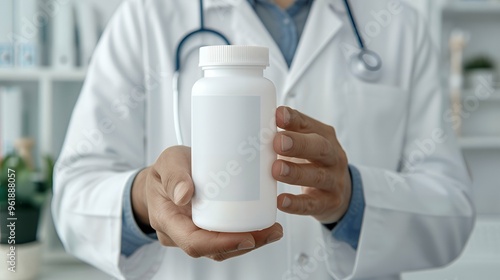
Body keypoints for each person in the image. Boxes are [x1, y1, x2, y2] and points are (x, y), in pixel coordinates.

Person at [52, 0, 475, 279]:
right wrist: (144, 199)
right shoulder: (148, 15)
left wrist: (354, 200)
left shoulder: (397, 20)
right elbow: (74, 192)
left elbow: (452, 206)